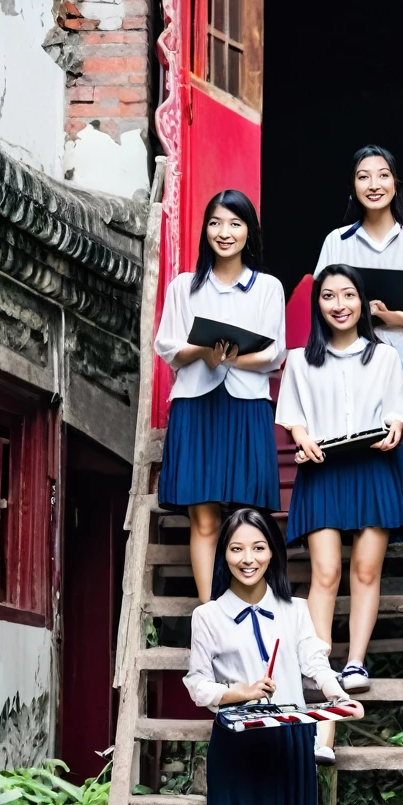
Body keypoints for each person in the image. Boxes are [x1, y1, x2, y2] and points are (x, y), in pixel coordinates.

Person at [184, 507, 361, 805]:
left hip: (288, 734)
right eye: (237, 548)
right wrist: (237, 692)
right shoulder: (207, 616)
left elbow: (314, 664)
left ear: (273, 553)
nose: (248, 558)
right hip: (237, 737)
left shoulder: (296, 609)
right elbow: (197, 684)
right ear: (224, 554)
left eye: (259, 548)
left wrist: (336, 694)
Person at [276, 264, 403, 761]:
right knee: (326, 572)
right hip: (324, 470)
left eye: (349, 295)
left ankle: (355, 662)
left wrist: (396, 427)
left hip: (373, 466)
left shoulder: (384, 356)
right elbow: (292, 418)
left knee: (366, 568)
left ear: (362, 302)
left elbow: (400, 409)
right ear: (318, 306)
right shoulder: (299, 360)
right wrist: (301, 438)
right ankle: (319, 664)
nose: (339, 304)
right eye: (329, 296)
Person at [154, 191, 286, 602]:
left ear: (249, 231)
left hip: (247, 406)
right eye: (215, 223)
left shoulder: (267, 287)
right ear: (204, 230)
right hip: (196, 404)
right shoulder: (183, 287)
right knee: (205, 520)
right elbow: (168, 347)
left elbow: (274, 353)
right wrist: (204, 353)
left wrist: (231, 359)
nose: (224, 233)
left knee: (249, 517)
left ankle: (247, 609)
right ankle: (211, 614)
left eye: (234, 223)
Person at [315, 145, 403, 400]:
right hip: (349, 365)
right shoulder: (337, 242)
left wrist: (399, 319)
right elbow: (320, 308)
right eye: (364, 177)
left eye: (383, 175)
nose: (374, 185)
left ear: (395, 183)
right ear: (353, 186)